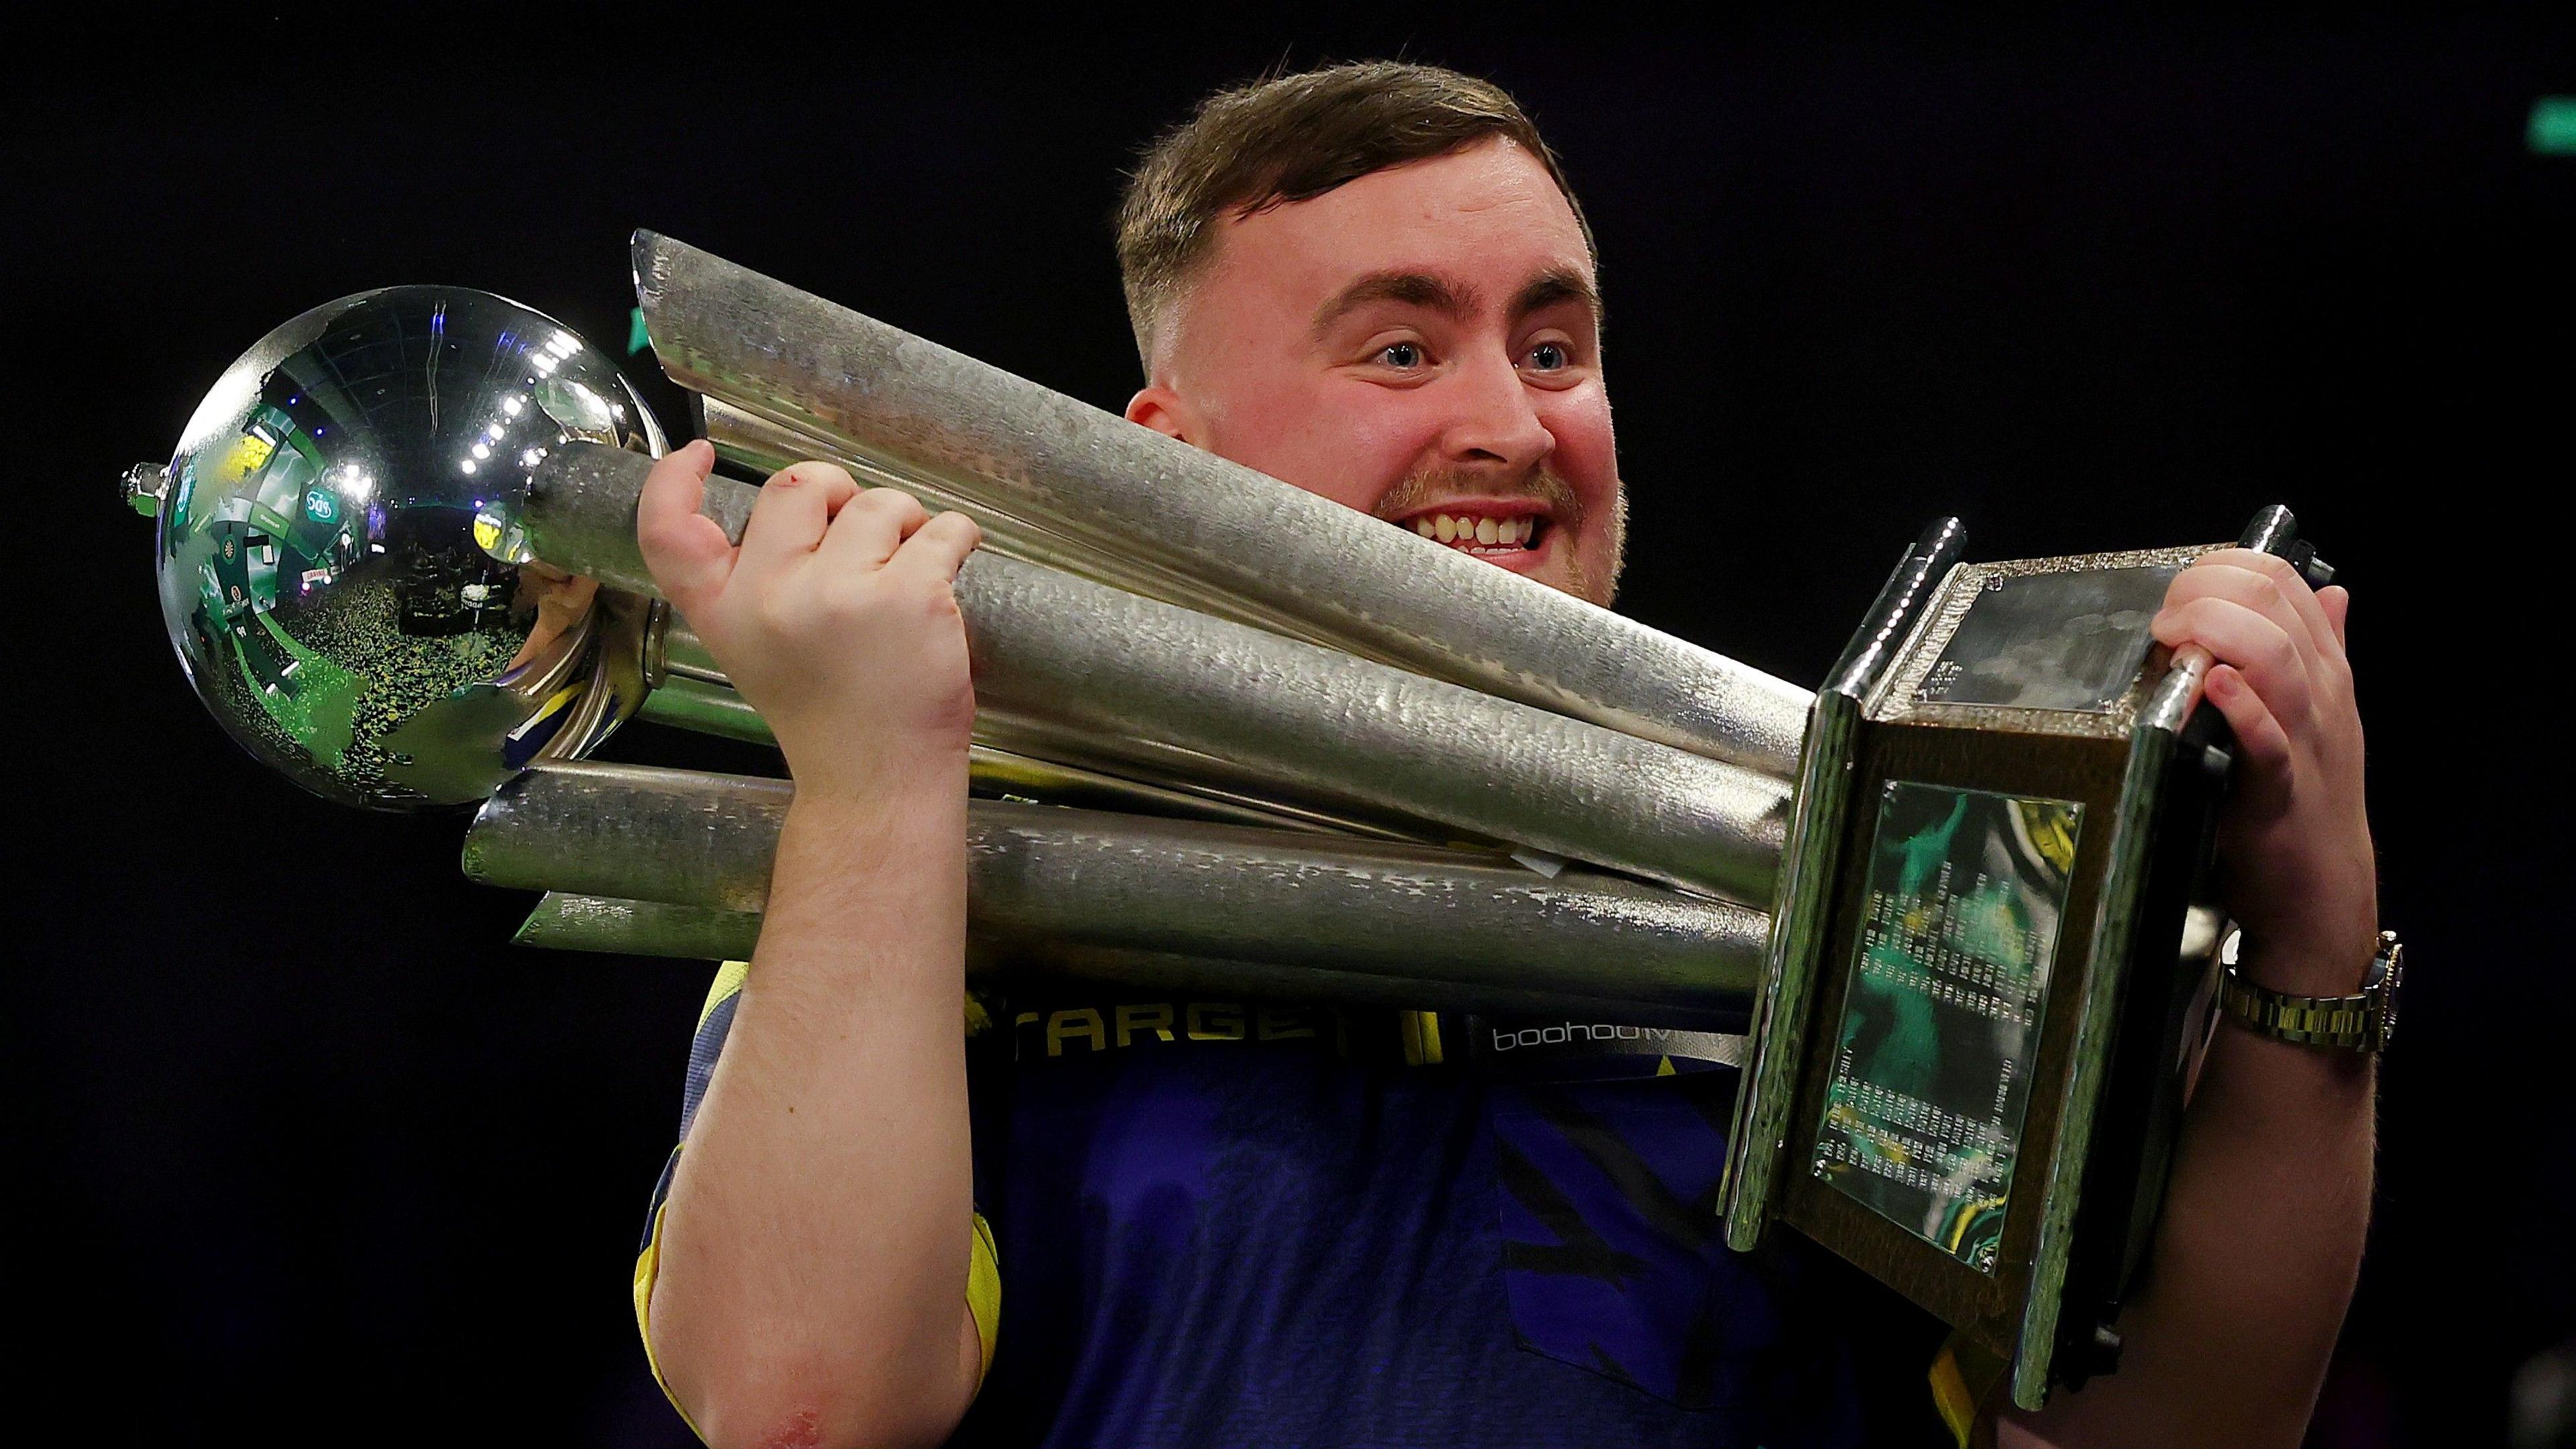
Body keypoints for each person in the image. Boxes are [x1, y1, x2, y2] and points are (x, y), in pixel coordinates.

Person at [626, 62, 2380, 1449]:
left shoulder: (1872, 867)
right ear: (1164, 455)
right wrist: (873, 787)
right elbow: (799, 1403)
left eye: (1554, 348)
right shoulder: (949, 852)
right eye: (1401, 349)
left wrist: (2313, 958)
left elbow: (2159, 1432)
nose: (1508, 423)